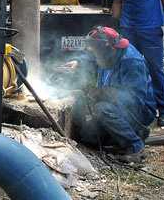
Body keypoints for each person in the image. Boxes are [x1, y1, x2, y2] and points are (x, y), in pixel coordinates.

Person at [65, 26, 156, 164]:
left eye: (97, 54)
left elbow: (136, 101)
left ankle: (136, 147)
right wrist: (77, 62)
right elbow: (92, 57)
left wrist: (104, 93)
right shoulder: (108, 52)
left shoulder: (131, 62)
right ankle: (131, 133)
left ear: (110, 48)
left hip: (139, 113)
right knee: (89, 136)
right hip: (117, 108)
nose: (96, 58)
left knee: (102, 109)